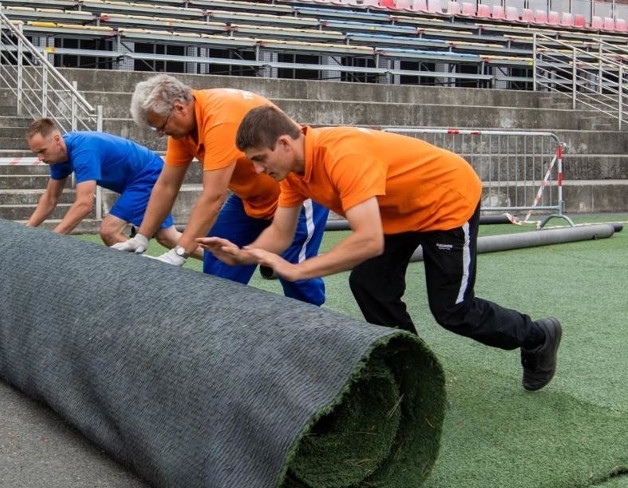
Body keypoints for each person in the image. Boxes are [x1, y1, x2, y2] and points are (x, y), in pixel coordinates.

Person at [201, 106, 562, 392]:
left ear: (284, 143)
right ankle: (415, 373)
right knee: (369, 284)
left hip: (446, 202)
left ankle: (538, 336)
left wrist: (301, 270)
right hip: (396, 212)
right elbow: (280, 233)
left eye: (260, 159)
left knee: (453, 310)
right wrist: (244, 254)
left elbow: (368, 240)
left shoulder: (341, 156)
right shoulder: (294, 173)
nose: (257, 169)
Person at [111, 76, 329, 306]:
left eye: (161, 127)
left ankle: (319, 334)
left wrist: (180, 252)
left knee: (295, 272)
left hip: (298, 191)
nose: (160, 134)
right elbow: (166, 185)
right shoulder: (183, 130)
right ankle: (221, 328)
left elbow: (214, 197)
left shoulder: (219, 117)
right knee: (219, 257)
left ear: (179, 108)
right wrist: (142, 237)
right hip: (252, 199)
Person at [25, 119, 184, 248]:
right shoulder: (57, 158)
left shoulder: (83, 152)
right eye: (36, 153)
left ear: (57, 140)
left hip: (148, 174)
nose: (40, 158)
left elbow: (84, 204)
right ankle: (209, 257)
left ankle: (152, 278)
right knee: (166, 237)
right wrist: (25, 232)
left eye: (42, 151)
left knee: (109, 231)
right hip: (139, 177)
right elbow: (50, 199)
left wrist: (53, 240)